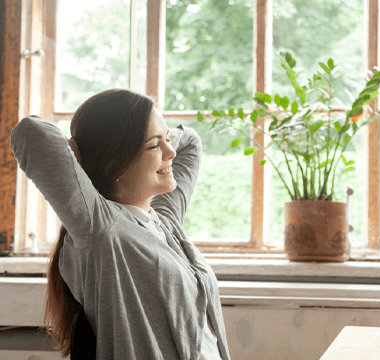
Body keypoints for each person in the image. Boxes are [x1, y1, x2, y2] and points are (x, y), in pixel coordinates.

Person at [10, 89, 231, 360]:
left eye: (166, 139)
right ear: (114, 161)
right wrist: (83, 158)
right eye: (154, 145)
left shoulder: (165, 220)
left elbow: (191, 142)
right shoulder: (102, 229)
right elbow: (31, 132)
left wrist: (153, 132)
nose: (170, 152)